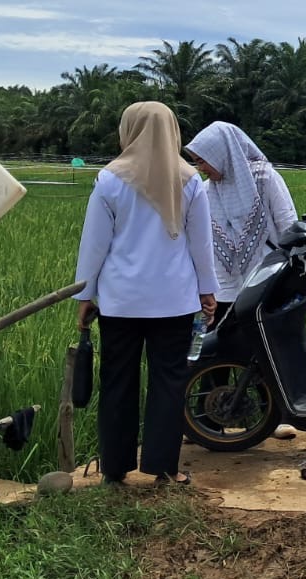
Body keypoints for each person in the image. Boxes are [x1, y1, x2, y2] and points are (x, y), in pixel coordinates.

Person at [75, 101, 218, 486]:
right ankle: (164, 469)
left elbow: (95, 245)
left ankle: (115, 469)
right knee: (168, 382)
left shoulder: (109, 180)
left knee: (118, 381)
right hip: (173, 300)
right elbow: (201, 245)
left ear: (130, 130)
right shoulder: (189, 180)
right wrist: (208, 292)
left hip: (121, 301)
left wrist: (85, 294)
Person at [185, 121, 301, 439]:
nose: (202, 168)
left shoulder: (264, 178)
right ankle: (208, 420)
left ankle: (276, 416)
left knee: (265, 350)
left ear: (222, 154)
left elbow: (289, 223)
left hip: (264, 284)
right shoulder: (207, 190)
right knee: (213, 350)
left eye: (202, 160)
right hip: (221, 286)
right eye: (197, 162)